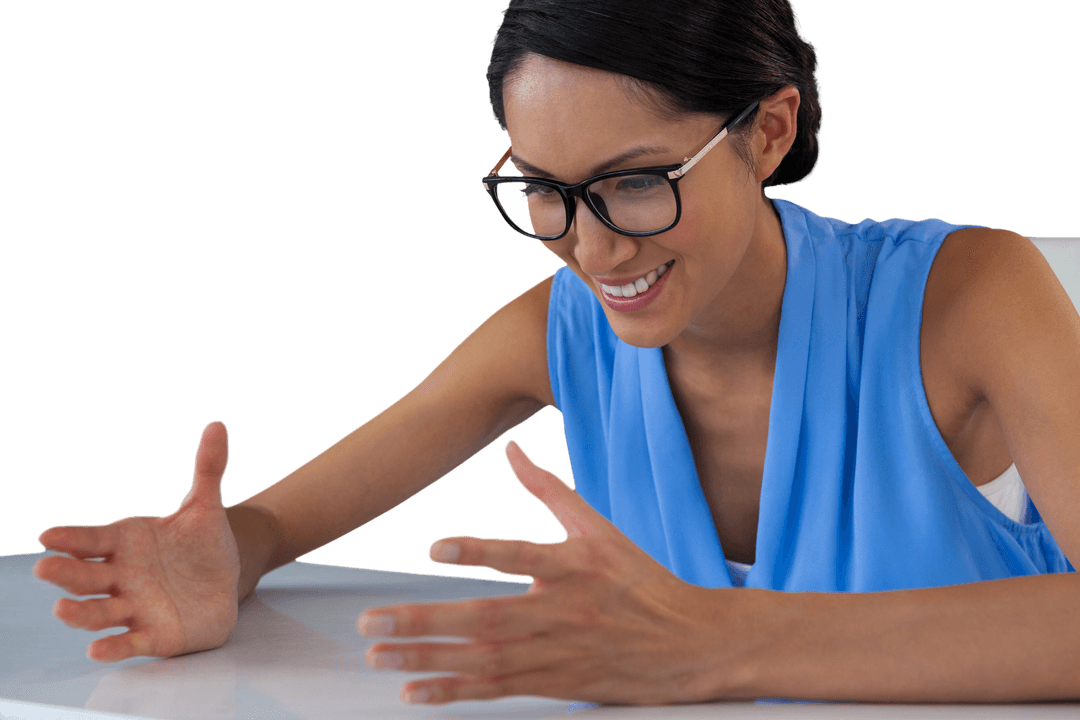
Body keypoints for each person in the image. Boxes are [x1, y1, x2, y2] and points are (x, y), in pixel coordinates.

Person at [33, 0, 1080, 707]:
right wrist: (232, 553)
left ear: (768, 131)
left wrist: (717, 641)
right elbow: (275, 525)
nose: (592, 248)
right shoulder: (558, 330)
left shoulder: (969, 295)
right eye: (546, 190)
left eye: (636, 183)